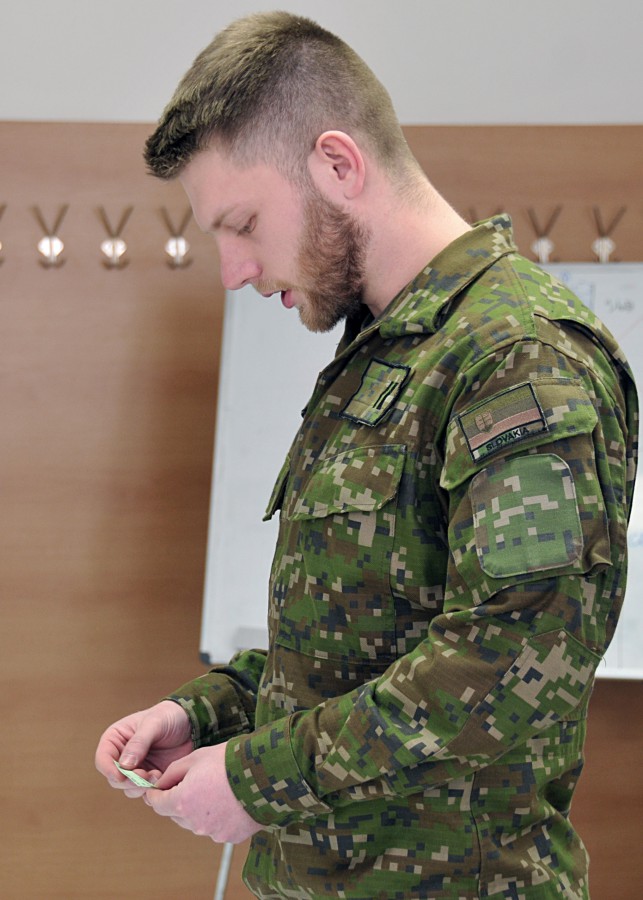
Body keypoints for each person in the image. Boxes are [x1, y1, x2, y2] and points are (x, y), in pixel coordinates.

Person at [95, 11, 638, 899]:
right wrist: (203, 713)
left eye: (243, 223)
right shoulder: (380, 353)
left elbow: (504, 665)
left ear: (338, 165)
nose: (233, 270)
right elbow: (355, 648)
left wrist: (258, 778)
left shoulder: (516, 356)